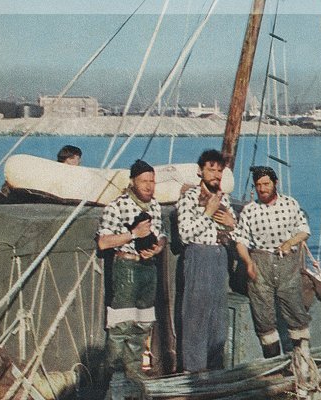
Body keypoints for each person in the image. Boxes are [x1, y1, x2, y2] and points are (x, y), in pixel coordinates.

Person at [96, 159, 166, 377]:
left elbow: (162, 236)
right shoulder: (117, 206)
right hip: (126, 268)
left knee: (142, 326)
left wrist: (156, 249)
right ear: (133, 182)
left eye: (152, 181)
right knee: (121, 328)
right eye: (144, 181)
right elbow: (103, 242)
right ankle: (110, 381)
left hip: (148, 268)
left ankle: (133, 379)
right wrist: (134, 234)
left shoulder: (155, 205)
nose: (149, 186)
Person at [235, 166, 311, 359]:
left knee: (295, 312)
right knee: (264, 319)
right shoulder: (249, 211)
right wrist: (248, 263)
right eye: (258, 185)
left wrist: (290, 242)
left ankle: (303, 362)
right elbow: (241, 241)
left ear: (275, 183)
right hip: (260, 266)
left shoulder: (290, 204)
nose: (262, 189)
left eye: (266, 184)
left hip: (287, 265)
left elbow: (304, 230)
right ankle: (274, 367)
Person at [176, 149, 236, 373]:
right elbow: (185, 234)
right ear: (200, 171)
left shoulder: (225, 199)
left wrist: (232, 223)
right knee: (196, 316)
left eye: (220, 171)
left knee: (217, 319)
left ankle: (214, 370)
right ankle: (193, 371)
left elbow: (236, 235)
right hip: (198, 256)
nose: (216, 175)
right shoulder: (189, 198)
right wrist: (207, 213)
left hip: (220, 257)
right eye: (211, 169)